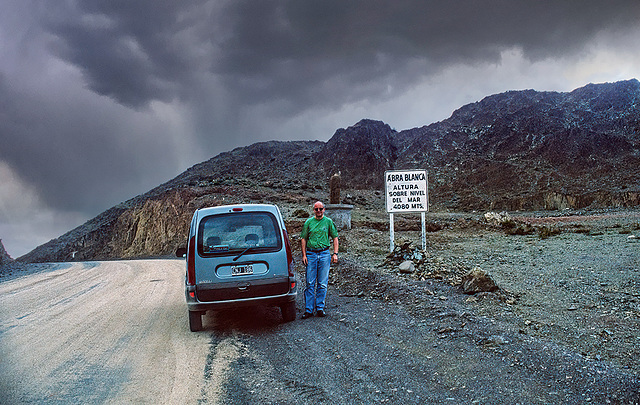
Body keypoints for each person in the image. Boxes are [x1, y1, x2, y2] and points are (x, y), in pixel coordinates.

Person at [300, 201, 339, 318]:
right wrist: (304, 255)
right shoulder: (308, 222)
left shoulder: (328, 222)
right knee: (310, 282)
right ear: (313, 210)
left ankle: (320, 308)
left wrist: (335, 253)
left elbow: (335, 237)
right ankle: (308, 310)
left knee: (322, 283)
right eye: (316, 209)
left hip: (324, 254)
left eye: (321, 209)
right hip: (311, 254)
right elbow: (303, 239)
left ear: (324, 209)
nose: (319, 211)